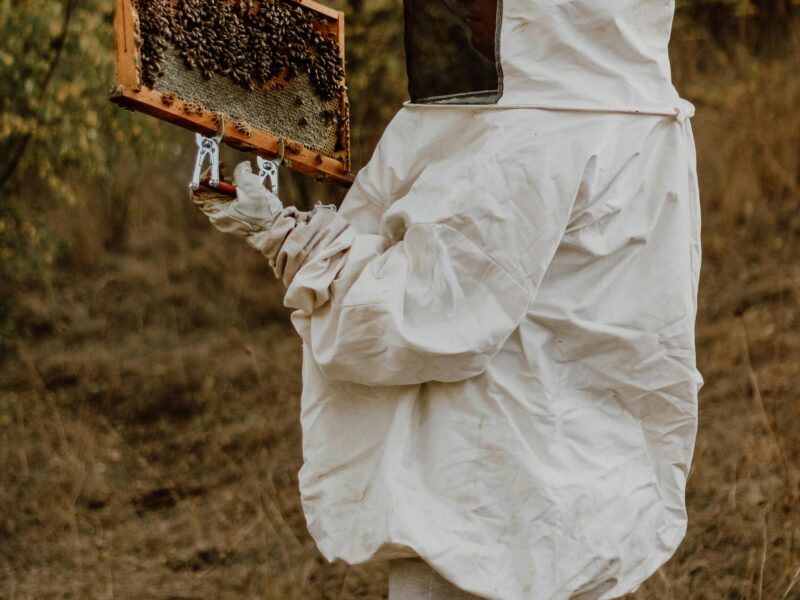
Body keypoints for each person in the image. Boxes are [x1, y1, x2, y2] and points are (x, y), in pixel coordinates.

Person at [193, 0, 702, 598]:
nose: (468, 6)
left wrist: (281, 235)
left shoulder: (530, 143)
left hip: (483, 508)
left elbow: (410, 318)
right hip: (585, 493)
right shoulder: (643, 116)